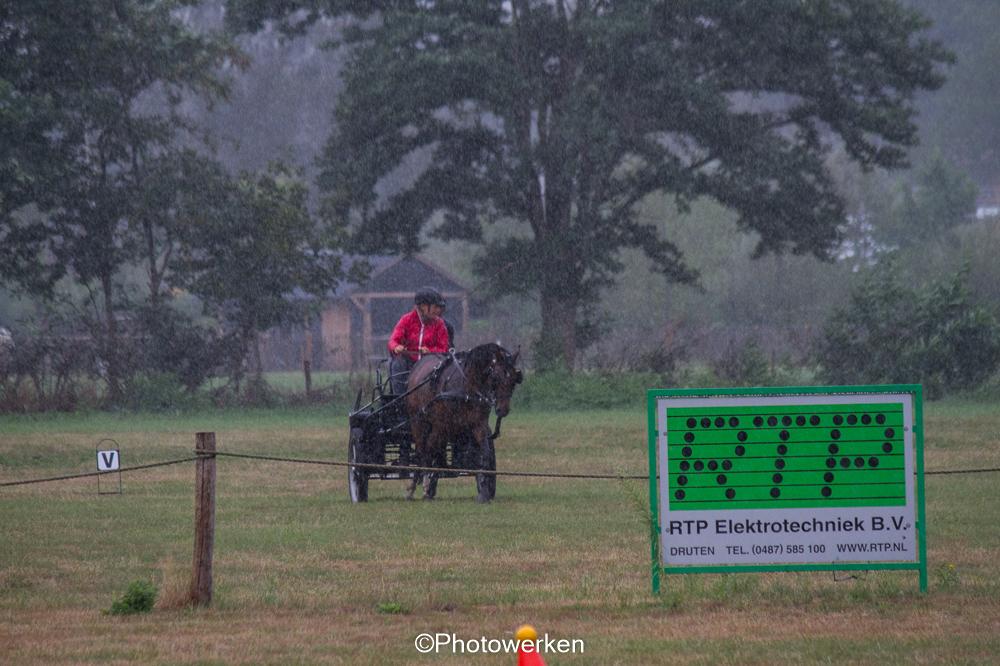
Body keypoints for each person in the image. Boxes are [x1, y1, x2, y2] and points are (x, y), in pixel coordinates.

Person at [387, 288, 451, 395]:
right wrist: (396, 347)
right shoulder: (406, 320)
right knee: (397, 364)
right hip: (409, 364)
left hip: (430, 364)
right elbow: (393, 340)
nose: (438, 311)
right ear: (423, 307)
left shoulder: (440, 324)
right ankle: (399, 398)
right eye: (435, 307)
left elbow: (443, 348)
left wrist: (430, 351)